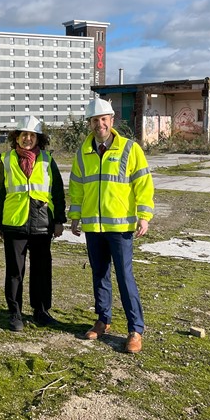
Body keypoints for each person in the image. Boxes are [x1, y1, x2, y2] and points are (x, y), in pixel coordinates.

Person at [68, 97, 154, 354]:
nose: (99, 124)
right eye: (95, 120)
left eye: (103, 119)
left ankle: (135, 329)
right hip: (94, 227)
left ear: (112, 120)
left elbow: (143, 183)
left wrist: (144, 215)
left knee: (125, 277)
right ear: (90, 123)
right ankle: (103, 320)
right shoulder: (82, 153)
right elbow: (77, 187)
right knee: (99, 275)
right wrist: (75, 216)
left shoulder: (130, 149)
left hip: (120, 227)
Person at [0, 116, 66, 332]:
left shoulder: (47, 161)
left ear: (39, 139)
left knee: (42, 270)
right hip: (14, 224)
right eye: (24, 134)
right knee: (15, 271)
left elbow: (58, 193)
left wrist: (59, 220)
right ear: (17, 137)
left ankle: (41, 311)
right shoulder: (6, 161)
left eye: (32, 135)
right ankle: (15, 312)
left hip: (42, 224)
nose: (27, 138)